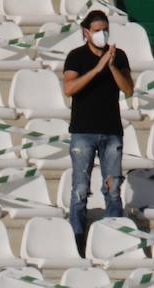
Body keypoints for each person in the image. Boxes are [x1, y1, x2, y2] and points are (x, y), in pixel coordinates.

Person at [62, 10, 132, 250]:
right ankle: (77, 238)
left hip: (111, 131)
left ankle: (113, 237)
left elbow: (129, 89)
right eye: (97, 30)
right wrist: (96, 69)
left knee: (112, 188)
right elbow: (69, 88)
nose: (102, 34)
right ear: (86, 33)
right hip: (83, 132)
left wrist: (111, 66)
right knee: (80, 188)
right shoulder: (76, 57)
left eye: (105, 29)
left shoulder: (119, 56)